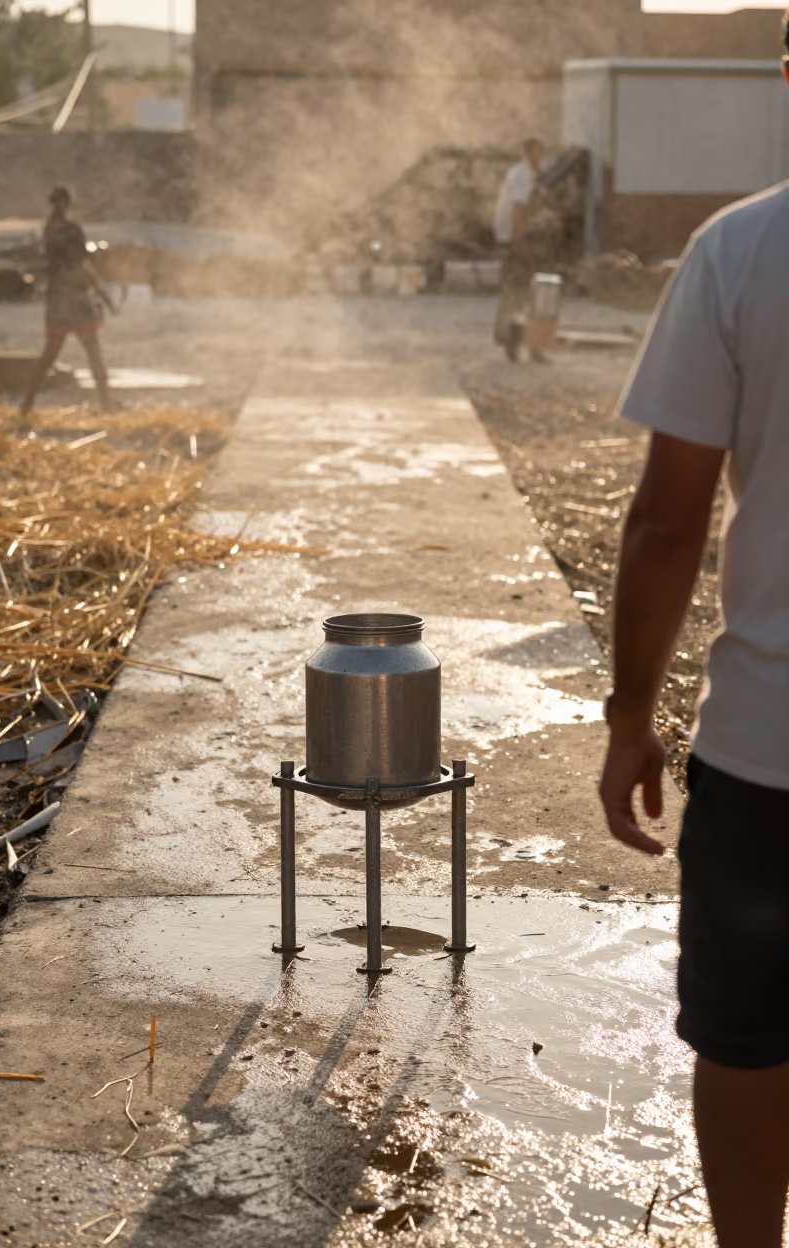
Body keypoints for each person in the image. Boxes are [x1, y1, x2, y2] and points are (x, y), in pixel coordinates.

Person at [599, 12, 789, 1246]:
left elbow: (666, 525)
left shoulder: (740, 252)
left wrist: (630, 720)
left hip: (769, 752)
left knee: (748, 1036)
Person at [20, 185, 116, 418]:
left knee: (49, 354)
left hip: (56, 299)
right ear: (69, 203)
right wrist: (102, 293)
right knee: (93, 351)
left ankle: (27, 404)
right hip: (75, 298)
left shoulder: (49, 229)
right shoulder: (72, 230)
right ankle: (106, 403)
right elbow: (81, 264)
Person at [493, 136, 546, 359]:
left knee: (516, 291)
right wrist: (518, 243)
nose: (542, 157)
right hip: (515, 240)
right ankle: (515, 341)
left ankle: (508, 336)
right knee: (522, 292)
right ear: (530, 153)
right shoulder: (523, 176)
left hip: (512, 238)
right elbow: (518, 210)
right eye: (539, 152)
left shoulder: (520, 173)